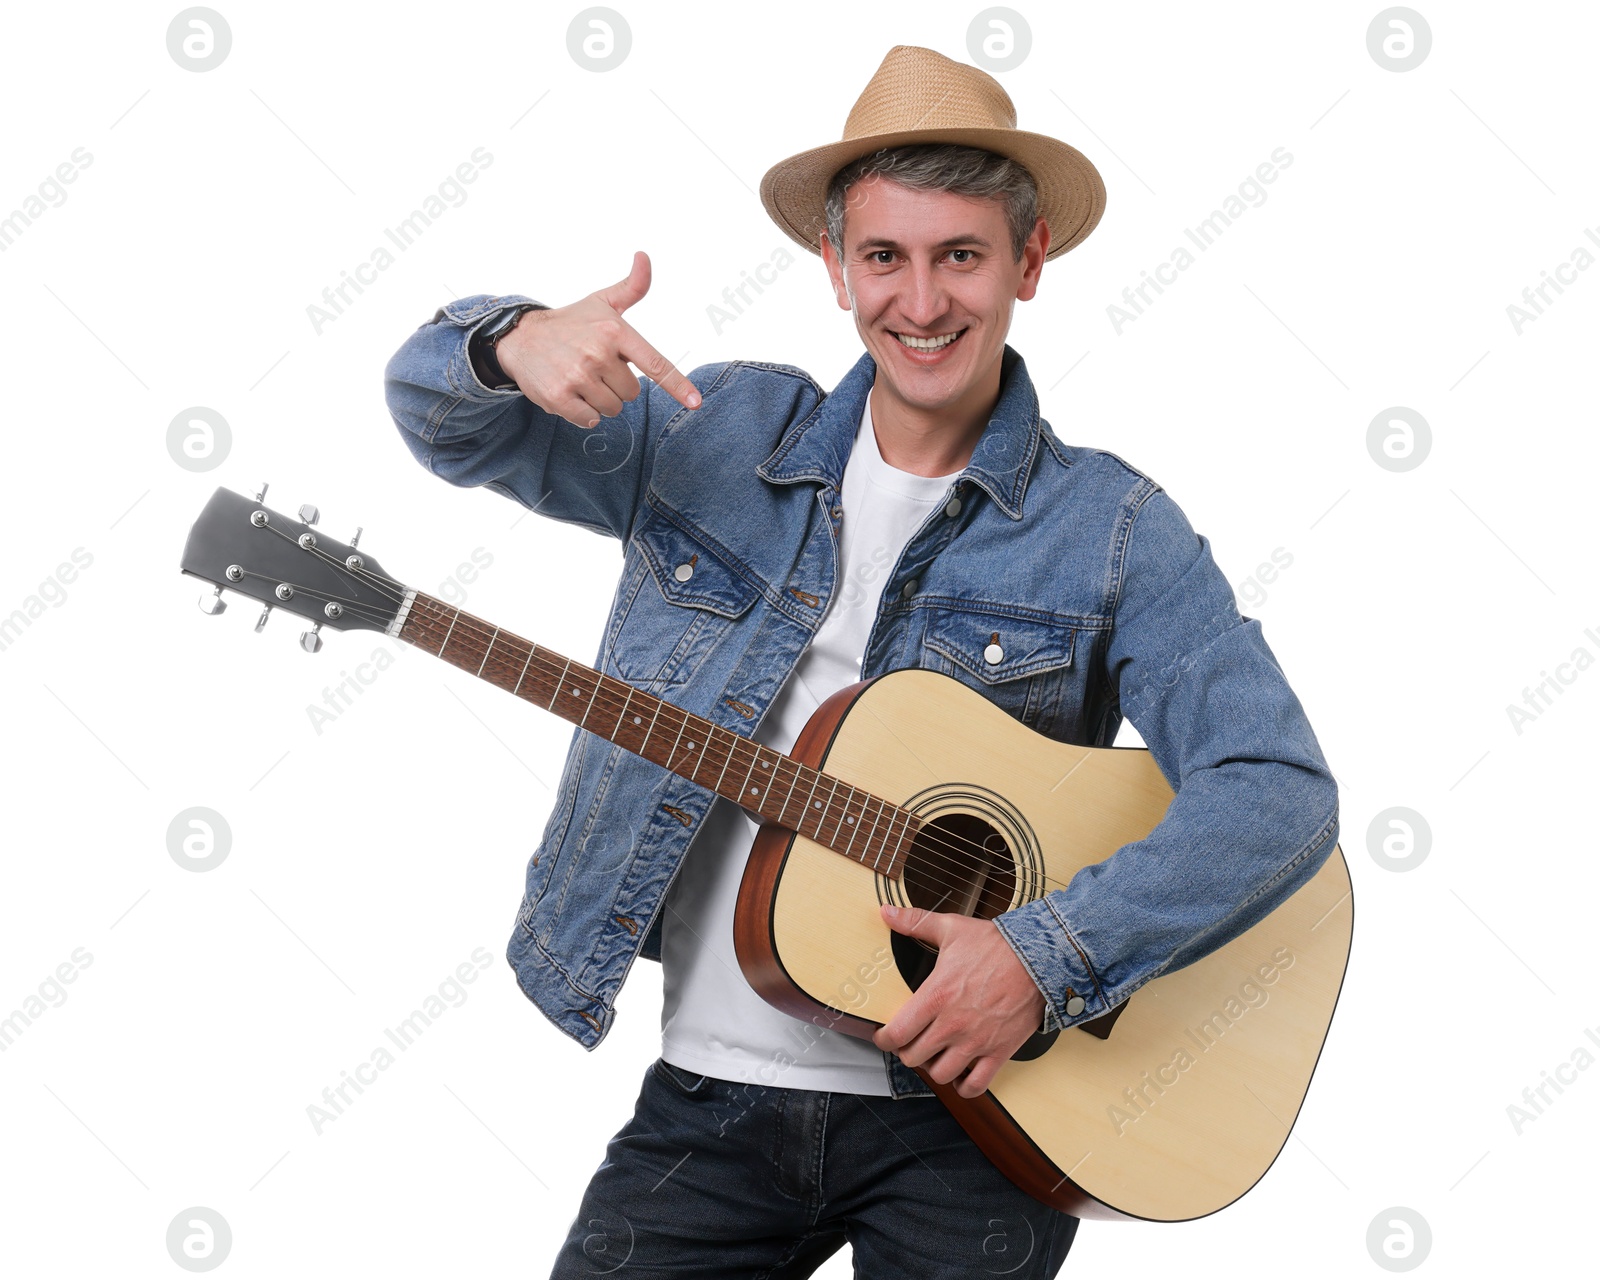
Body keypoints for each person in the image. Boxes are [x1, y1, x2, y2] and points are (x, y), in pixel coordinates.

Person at [383, 43, 1339, 1280]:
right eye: (884, 255)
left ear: (1027, 261)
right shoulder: (709, 430)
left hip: (977, 1125)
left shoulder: (1113, 530)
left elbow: (1274, 787)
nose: (922, 302)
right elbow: (439, 419)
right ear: (834, 266)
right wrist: (503, 341)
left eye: (962, 256)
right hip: (708, 1105)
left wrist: (1046, 959)